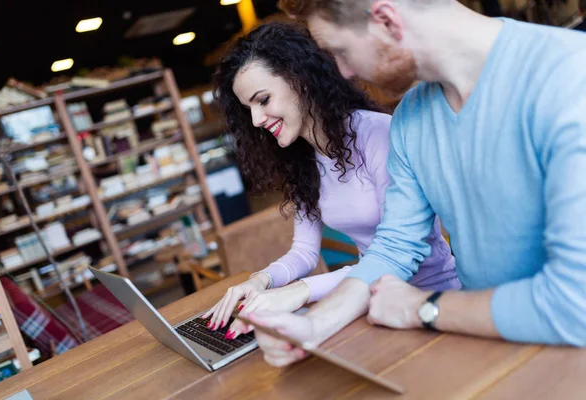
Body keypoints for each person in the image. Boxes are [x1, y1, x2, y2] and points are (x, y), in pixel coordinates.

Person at [245, 0, 586, 367]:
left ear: (387, 20)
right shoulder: (410, 118)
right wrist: (314, 325)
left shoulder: (569, 76)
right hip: (487, 346)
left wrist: (422, 308)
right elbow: (394, 246)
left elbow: (574, 303)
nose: (341, 72)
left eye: (341, 52)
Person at [204, 23, 460, 338]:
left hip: (430, 299)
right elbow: (304, 252)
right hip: (371, 304)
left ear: (300, 80)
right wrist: (260, 281)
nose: (256, 120)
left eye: (263, 99)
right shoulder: (302, 160)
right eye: (249, 109)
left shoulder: (377, 134)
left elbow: (399, 252)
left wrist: (300, 291)